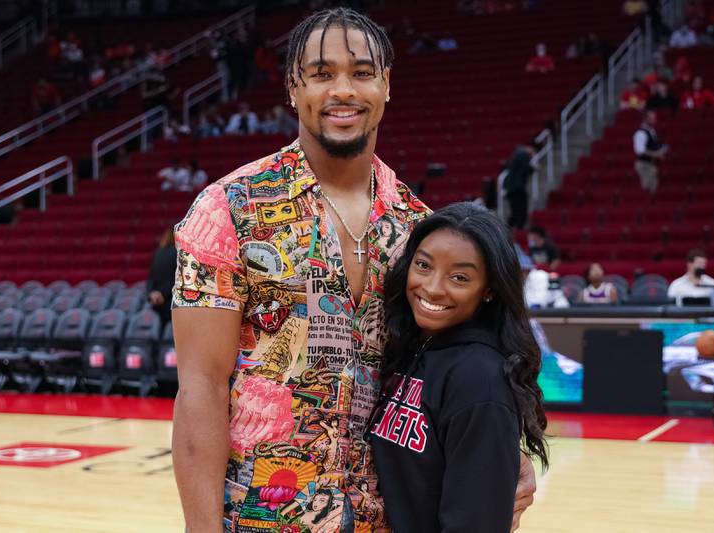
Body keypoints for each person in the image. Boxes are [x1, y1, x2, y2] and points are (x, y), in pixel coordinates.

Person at [171, 8, 536, 533]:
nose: (343, 89)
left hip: (389, 517)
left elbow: (456, 370)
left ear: (386, 86)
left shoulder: (419, 228)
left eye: (362, 72)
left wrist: (502, 450)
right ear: (292, 89)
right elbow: (201, 384)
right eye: (321, 74)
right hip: (262, 517)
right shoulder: (228, 210)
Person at [369, 202, 548, 532]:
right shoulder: (410, 350)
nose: (434, 287)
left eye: (460, 277)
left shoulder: (481, 380)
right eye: (423, 265)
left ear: (490, 289)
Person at [147, 227, 177, 327]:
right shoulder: (178, 253)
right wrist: (163, 294)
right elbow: (177, 279)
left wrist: (152, 293)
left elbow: (151, 278)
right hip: (171, 301)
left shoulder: (158, 252)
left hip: (157, 302)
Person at [503, 143, 536, 229]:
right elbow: (526, 168)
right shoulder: (523, 154)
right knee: (520, 211)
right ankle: (516, 229)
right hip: (516, 188)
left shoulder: (517, 155)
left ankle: (507, 229)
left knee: (515, 212)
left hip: (512, 188)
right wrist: (534, 168)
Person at [633, 110, 667, 195]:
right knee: (648, 189)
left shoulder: (651, 131)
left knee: (654, 188)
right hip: (645, 165)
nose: (654, 119)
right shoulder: (641, 133)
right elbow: (640, 151)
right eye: (651, 118)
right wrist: (656, 154)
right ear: (645, 119)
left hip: (651, 164)